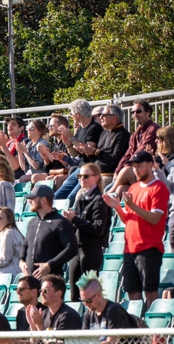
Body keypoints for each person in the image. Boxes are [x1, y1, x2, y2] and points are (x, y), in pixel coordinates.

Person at [104, 150, 169, 308]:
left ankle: (153, 332)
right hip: (129, 248)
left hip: (149, 248)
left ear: (149, 165)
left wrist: (132, 206)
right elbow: (128, 219)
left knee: (150, 292)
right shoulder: (133, 188)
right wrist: (118, 208)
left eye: (139, 166)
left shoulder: (159, 188)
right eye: (133, 167)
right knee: (133, 293)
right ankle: (137, 331)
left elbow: (155, 218)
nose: (136, 170)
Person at [63, 163, 112, 300]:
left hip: (91, 250)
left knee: (88, 295)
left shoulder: (100, 200)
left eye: (85, 176)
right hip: (77, 249)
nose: (81, 179)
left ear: (96, 177)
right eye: (79, 176)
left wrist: (75, 219)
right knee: (74, 295)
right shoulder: (81, 198)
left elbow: (98, 229)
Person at [19, 185, 77, 279]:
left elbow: (72, 248)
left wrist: (50, 265)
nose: (29, 201)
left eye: (32, 198)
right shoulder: (32, 222)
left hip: (51, 281)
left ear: (43, 200)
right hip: (31, 281)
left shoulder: (60, 222)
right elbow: (26, 244)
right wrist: (21, 261)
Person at [111, 100, 159, 194]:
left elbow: (140, 152)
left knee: (126, 170)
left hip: (149, 170)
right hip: (136, 169)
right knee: (120, 190)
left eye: (138, 111)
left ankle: (107, 195)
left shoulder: (153, 129)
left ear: (148, 112)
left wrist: (126, 167)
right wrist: (117, 170)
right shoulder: (135, 133)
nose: (135, 114)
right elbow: (128, 153)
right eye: (132, 112)